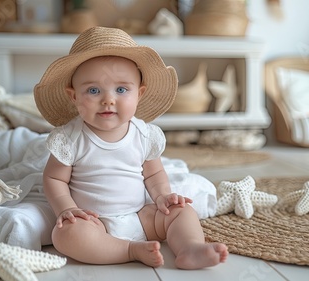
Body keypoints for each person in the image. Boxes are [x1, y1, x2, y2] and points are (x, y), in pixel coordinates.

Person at [34, 26, 228, 269]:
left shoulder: (143, 134)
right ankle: (129, 250)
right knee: (65, 235)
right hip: (94, 223)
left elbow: (154, 173)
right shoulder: (70, 138)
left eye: (122, 89)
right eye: (93, 90)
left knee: (182, 211)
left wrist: (162, 197)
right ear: (73, 96)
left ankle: (190, 248)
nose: (108, 99)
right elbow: (54, 178)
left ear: (139, 94)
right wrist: (67, 209)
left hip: (141, 217)